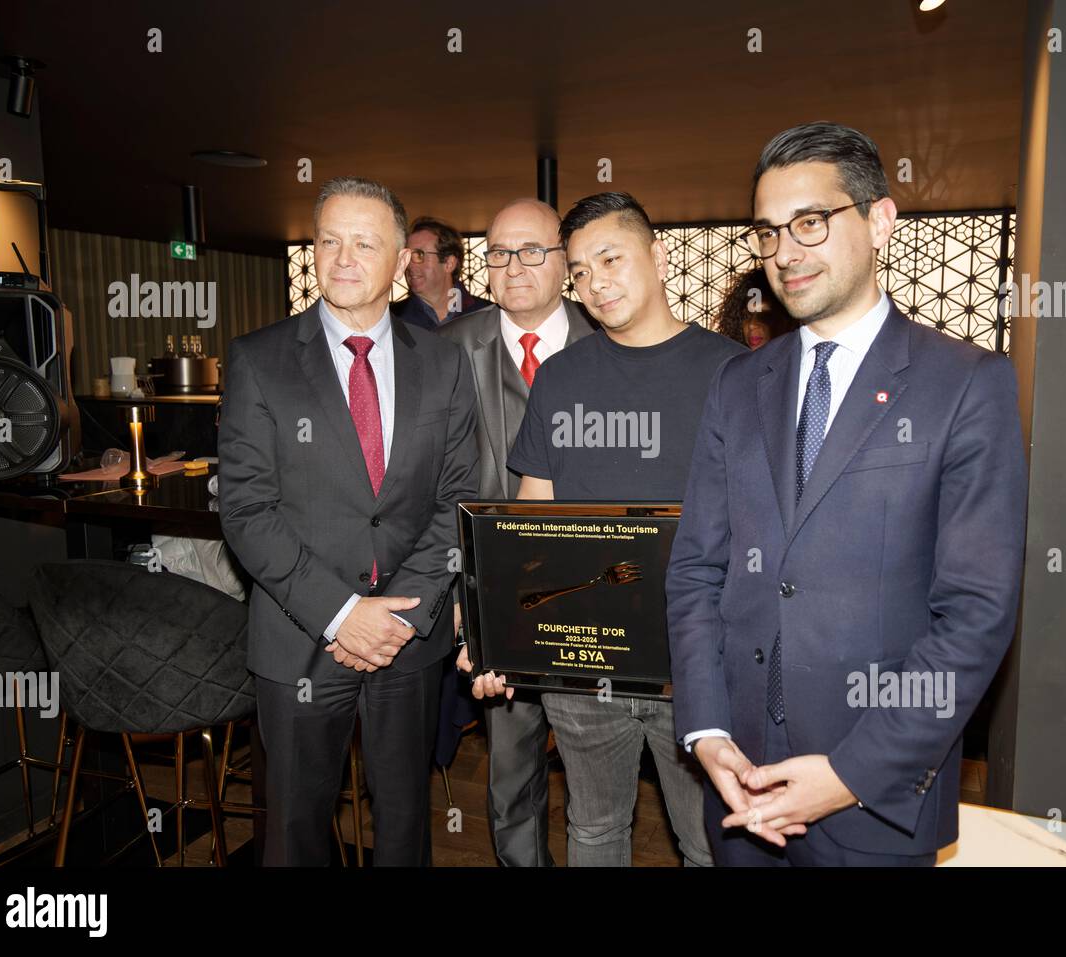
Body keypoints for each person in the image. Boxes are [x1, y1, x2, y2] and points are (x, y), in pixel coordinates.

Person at [666, 121, 1028, 866]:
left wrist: (849, 774)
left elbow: (975, 613)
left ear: (879, 220)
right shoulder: (737, 384)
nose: (785, 252)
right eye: (767, 232)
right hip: (741, 795)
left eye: (809, 222)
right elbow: (697, 571)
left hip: (876, 803)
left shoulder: (965, 384)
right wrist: (707, 733)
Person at [475, 191, 743, 867]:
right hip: (583, 655)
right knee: (593, 829)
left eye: (610, 259)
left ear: (657, 256)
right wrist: (498, 632)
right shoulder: (561, 377)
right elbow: (533, 515)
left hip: (697, 662)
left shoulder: (734, 373)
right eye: (581, 273)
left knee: (707, 840)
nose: (595, 283)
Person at [218, 176, 478, 866]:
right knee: (296, 831)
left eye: (365, 243)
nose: (342, 258)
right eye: (328, 240)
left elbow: (459, 496)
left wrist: (396, 618)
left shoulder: (447, 364)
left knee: (403, 829)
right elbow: (245, 508)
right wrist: (341, 613)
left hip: (407, 640)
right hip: (301, 638)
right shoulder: (258, 359)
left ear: (400, 264)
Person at [440, 198, 595, 866]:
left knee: (597, 775)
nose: (515, 266)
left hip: (593, 588)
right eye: (500, 252)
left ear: (565, 260)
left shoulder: (610, 339)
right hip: (489, 592)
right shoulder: (448, 347)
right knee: (509, 769)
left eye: (533, 250)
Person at [393, 216, 491, 330]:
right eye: (407, 256)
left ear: (449, 263)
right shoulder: (392, 319)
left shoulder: (487, 316)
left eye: (419, 255)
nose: (409, 264)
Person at [714, 266, 794, 349]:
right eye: (747, 316)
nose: (752, 325)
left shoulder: (803, 360)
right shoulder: (732, 359)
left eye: (764, 315)